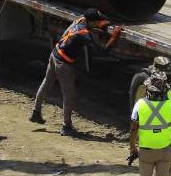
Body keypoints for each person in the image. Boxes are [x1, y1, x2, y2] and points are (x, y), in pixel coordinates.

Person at [30, 8, 123, 136]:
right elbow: (101, 52)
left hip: (55, 53)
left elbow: (93, 23)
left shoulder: (81, 19)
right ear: (91, 22)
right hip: (63, 63)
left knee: (46, 83)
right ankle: (66, 126)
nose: (99, 23)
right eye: (98, 21)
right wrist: (114, 37)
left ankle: (36, 112)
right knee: (69, 95)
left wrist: (102, 24)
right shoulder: (83, 33)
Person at [130, 74, 171, 176]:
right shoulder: (170, 104)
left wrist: (132, 147)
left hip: (146, 150)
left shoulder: (140, 104)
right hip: (164, 149)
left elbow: (133, 128)